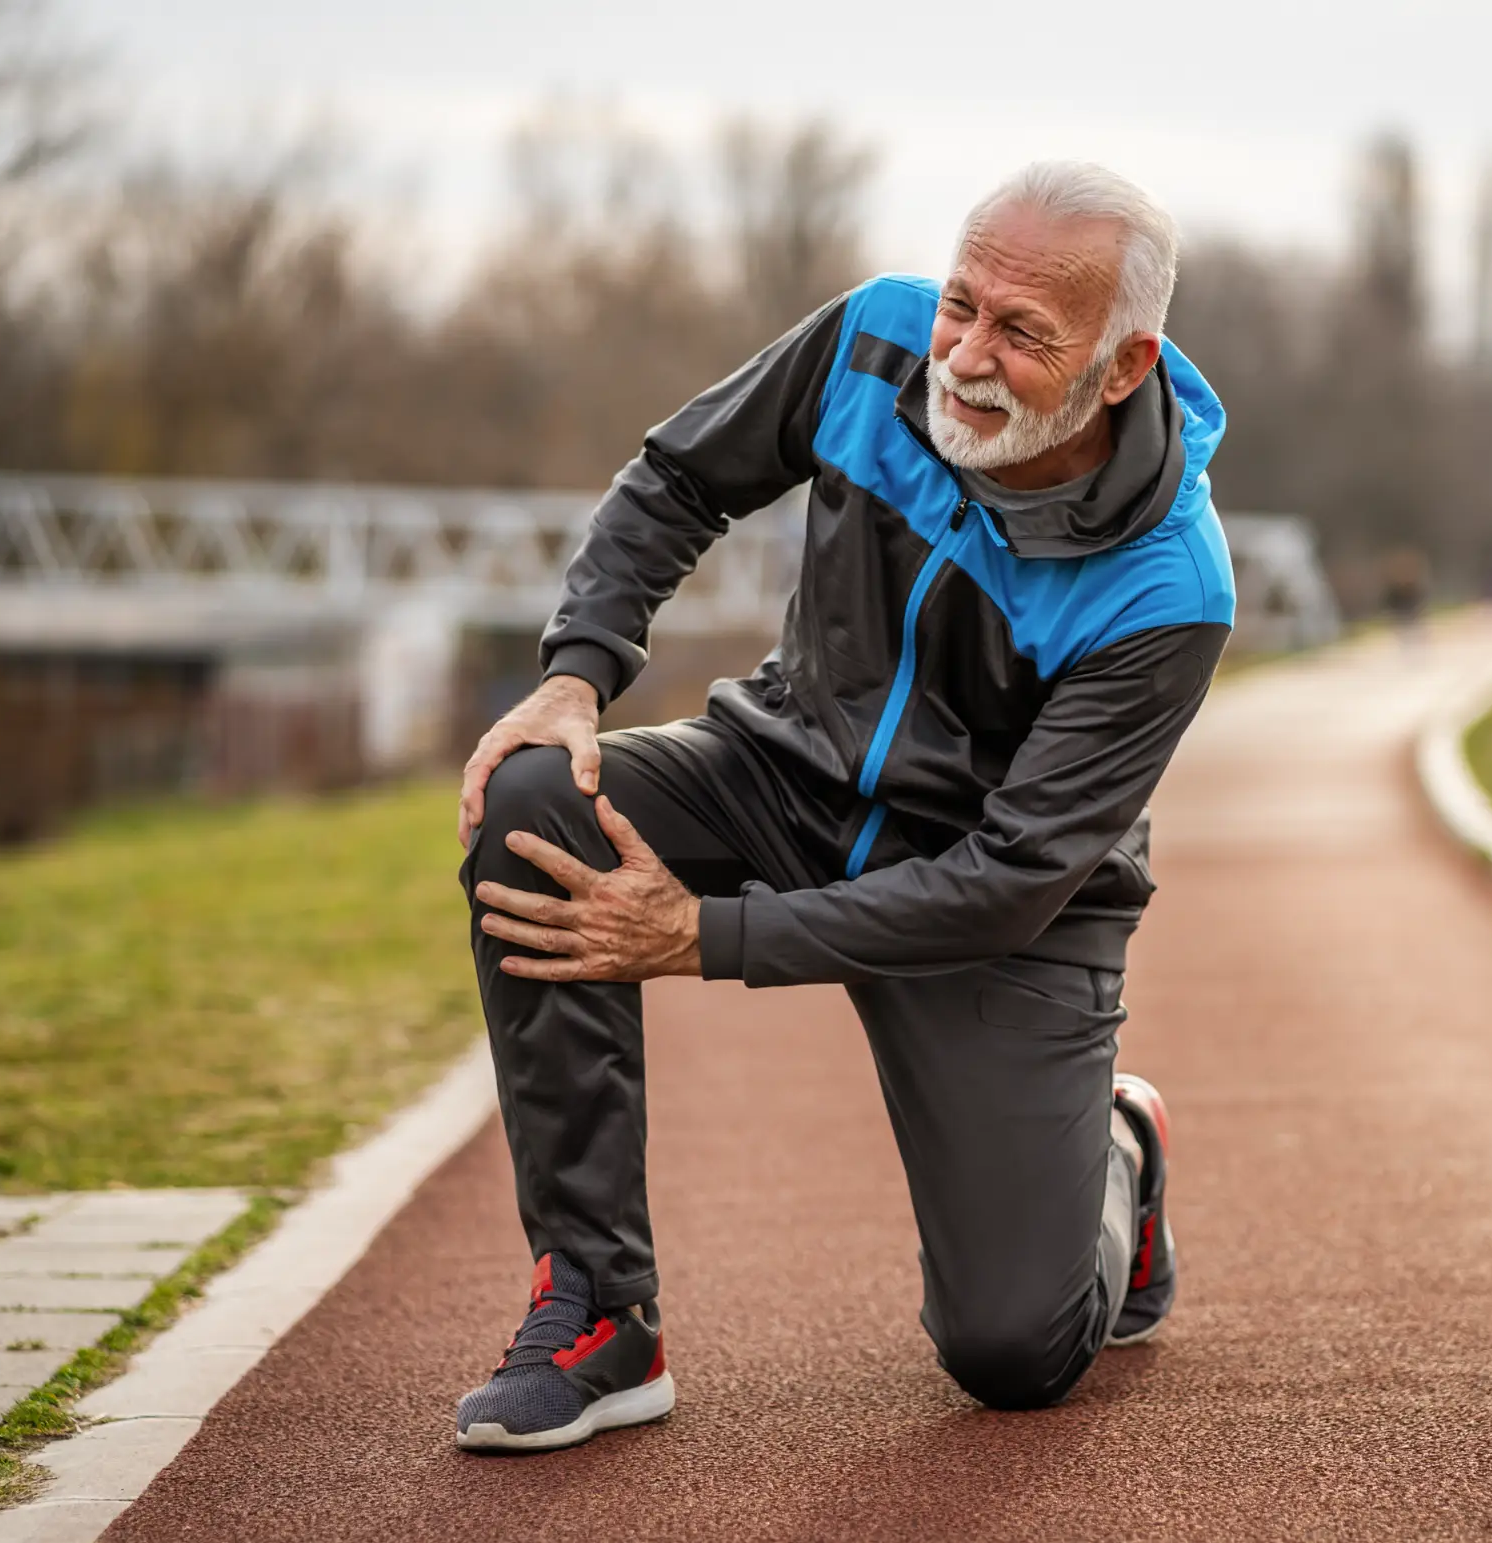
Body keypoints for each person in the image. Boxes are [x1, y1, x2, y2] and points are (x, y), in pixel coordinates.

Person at [449, 162, 1231, 1452]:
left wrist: (699, 940)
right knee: (535, 804)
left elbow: (1004, 878)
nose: (965, 357)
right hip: (778, 772)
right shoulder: (872, 341)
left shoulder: (1170, 589)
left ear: (1123, 364)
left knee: (1011, 1356)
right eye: (963, 304)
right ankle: (598, 1309)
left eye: (1022, 332)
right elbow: (676, 479)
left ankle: (1116, 1156)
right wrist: (575, 676)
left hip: (1008, 914)